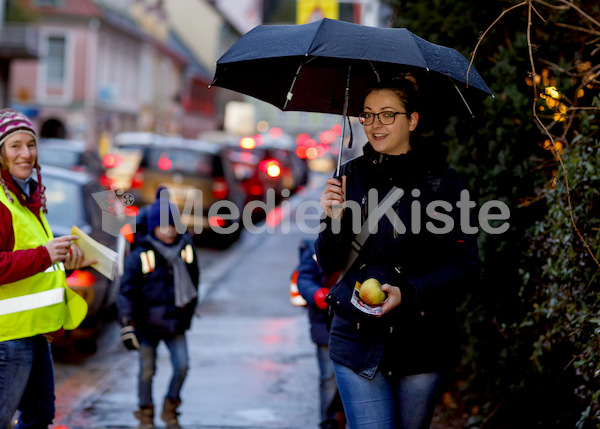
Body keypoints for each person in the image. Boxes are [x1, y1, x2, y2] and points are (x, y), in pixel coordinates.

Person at [316, 75, 480, 429]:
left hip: (423, 341)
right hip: (356, 336)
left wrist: (408, 293)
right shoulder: (348, 178)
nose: (375, 124)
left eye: (388, 114)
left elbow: (466, 267)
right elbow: (328, 262)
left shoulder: (445, 184)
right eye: (368, 114)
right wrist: (332, 220)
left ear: (413, 120)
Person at [0, 108, 93, 429]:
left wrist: (65, 261)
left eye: (31, 145)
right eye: (15, 146)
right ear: (1, 154)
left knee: (40, 416)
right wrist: (45, 254)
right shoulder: (2, 200)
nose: (26, 153)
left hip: (35, 331)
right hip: (8, 335)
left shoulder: (26, 195)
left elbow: (33, 261)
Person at [117, 189, 200, 429]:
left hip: (175, 323)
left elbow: (194, 282)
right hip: (146, 326)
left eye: (173, 226)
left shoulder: (185, 250)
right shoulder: (140, 255)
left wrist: (187, 313)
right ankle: (145, 413)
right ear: (153, 227)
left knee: (182, 365)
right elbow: (127, 292)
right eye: (163, 226)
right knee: (146, 370)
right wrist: (127, 322)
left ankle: (170, 407)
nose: (169, 231)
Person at [295, 238, 345, 429]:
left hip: (355, 319)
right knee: (328, 376)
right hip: (324, 323)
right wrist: (316, 293)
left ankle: (344, 415)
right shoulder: (322, 246)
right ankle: (329, 420)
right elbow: (303, 277)